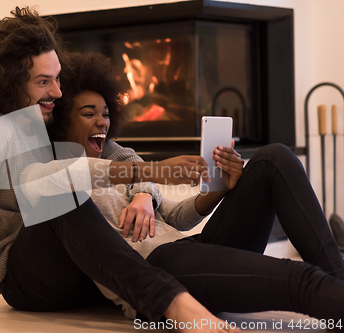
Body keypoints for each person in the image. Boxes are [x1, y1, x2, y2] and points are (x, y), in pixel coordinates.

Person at [0, 7, 241, 333]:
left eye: (58, 78)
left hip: (76, 261)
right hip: (26, 276)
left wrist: (145, 191)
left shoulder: (44, 116)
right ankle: (171, 303)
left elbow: (123, 158)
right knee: (59, 192)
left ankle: (184, 288)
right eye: (44, 81)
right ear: (11, 82)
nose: (58, 92)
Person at [46, 51, 344, 322]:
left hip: (186, 250)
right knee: (300, 278)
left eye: (106, 114)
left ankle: (339, 280)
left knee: (274, 158)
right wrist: (153, 176)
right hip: (159, 272)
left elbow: (175, 218)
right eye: (89, 114)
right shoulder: (60, 176)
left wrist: (218, 190)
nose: (102, 123)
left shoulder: (119, 169)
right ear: (61, 125)